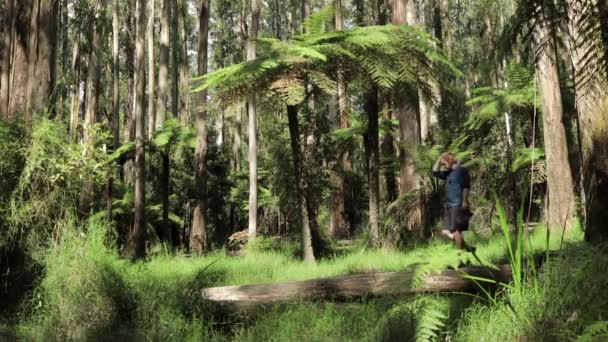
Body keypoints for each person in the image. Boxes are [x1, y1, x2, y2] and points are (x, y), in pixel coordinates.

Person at [432, 152, 474, 251]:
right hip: (449, 206)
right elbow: (434, 172)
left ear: (450, 161)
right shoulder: (448, 173)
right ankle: (468, 248)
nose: (443, 166)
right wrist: (440, 158)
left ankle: (459, 257)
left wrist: (465, 201)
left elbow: (466, 186)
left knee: (456, 231)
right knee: (446, 232)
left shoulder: (461, 170)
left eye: (444, 164)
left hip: (458, 204)